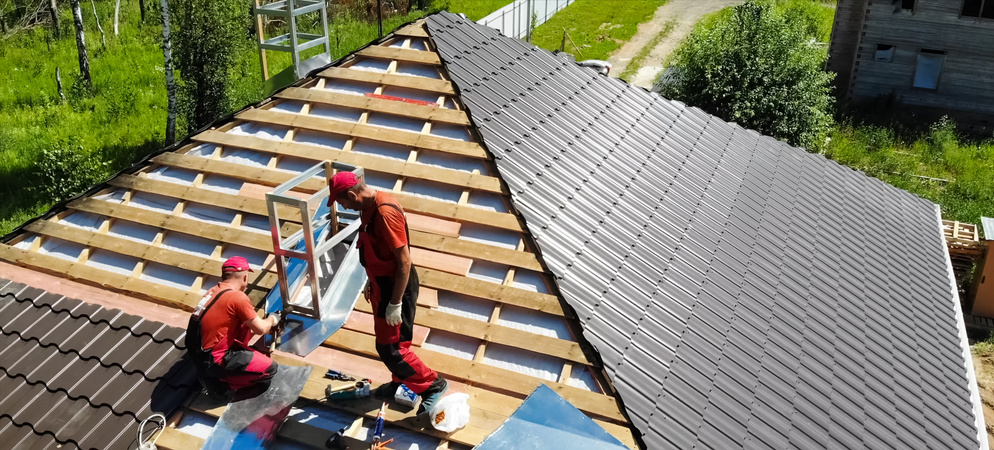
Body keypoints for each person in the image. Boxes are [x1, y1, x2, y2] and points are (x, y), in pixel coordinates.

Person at [328, 171, 447, 414]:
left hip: (396, 287)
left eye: (344, 203)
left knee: (391, 348)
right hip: (383, 284)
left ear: (353, 194)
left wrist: (395, 303)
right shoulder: (369, 206)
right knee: (394, 341)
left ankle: (432, 385)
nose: (345, 207)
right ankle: (400, 381)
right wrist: (372, 280)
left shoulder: (385, 213)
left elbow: (404, 262)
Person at [189, 256, 280, 398]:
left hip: (201, 356)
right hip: (216, 360)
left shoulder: (212, 292)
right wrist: (273, 319)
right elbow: (260, 329)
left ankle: (218, 374)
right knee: (270, 369)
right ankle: (223, 385)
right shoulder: (237, 297)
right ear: (245, 277)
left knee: (243, 324)